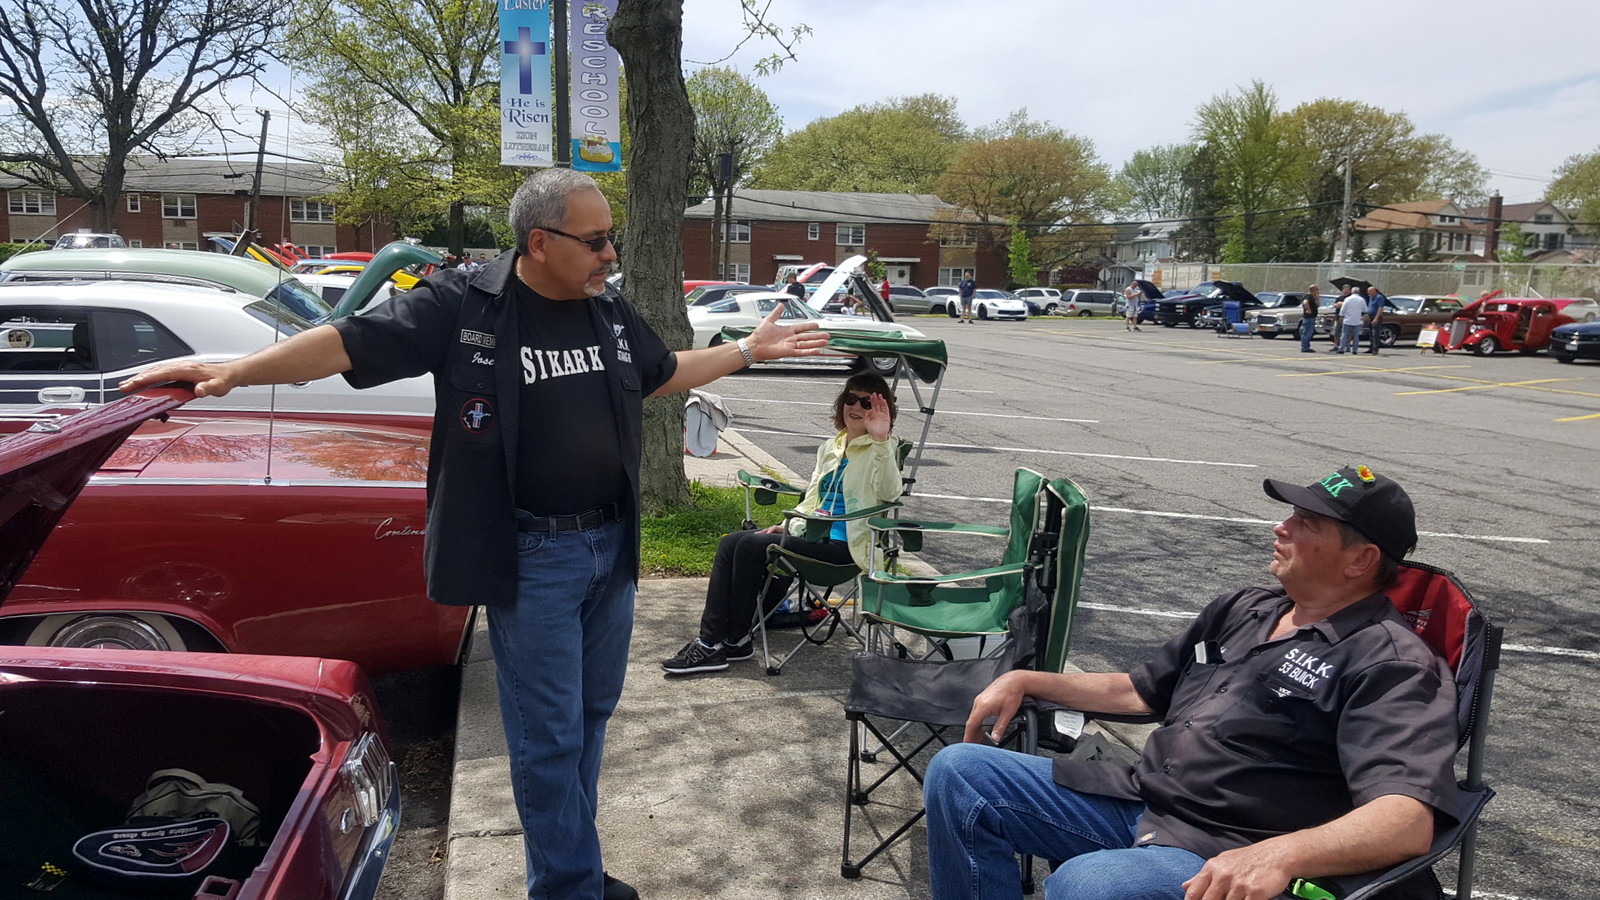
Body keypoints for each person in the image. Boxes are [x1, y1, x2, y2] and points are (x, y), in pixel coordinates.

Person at [119, 168, 831, 900]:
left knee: (589, 717)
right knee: (548, 735)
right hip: (532, 556)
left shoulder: (608, 309)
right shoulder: (465, 305)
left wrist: (749, 351)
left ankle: (569, 867)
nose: (610, 253)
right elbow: (346, 343)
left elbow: (660, 372)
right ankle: (569, 887)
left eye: (609, 238)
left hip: (611, 549)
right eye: (596, 241)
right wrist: (237, 370)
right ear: (539, 242)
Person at [924, 466, 1459, 900]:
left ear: (1360, 560)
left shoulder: (1388, 662)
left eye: (1306, 523)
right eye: (1290, 514)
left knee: (1088, 885)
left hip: (1231, 847)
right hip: (1144, 801)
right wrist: (1023, 678)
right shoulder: (1245, 608)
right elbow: (1141, 691)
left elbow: (1405, 822)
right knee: (959, 773)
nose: (1282, 528)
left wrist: (1279, 855)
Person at [661, 372, 903, 674]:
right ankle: (730, 641)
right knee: (731, 541)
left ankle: (717, 642)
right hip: (812, 536)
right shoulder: (832, 446)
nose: (856, 407)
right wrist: (785, 525)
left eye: (867, 402)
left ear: (881, 411)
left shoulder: (883, 447)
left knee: (749, 545)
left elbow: (891, 493)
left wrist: (880, 441)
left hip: (847, 548)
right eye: (851, 398)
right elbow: (813, 499)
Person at [1365, 285, 1398, 355]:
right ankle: (1371, 348)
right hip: (1370, 316)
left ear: (1374, 291)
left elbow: (1380, 309)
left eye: (1370, 292)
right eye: (1368, 292)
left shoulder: (1379, 297)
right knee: (1370, 334)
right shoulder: (1371, 297)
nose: (1369, 293)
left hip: (1376, 316)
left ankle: (1375, 349)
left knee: (1375, 333)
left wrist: (1376, 318)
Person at [1339, 286, 1366, 354]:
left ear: (1352, 292)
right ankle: (1355, 350)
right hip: (1357, 321)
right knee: (1356, 336)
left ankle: (1342, 348)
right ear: (1359, 292)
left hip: (1347, 320)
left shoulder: (1347, 299)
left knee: (1344, 335)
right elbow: (1365, 309)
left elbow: (1343, 309)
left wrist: (1341, 316)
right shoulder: (1361, 300)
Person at [1326, 285, 1349, 352]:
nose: (1345, 291)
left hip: (1347, 317)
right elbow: (1335, 305)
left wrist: (1341, 304)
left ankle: (1346, 346)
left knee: (1346, 333)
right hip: (1338, 317)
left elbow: (1347, 306)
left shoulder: (1350, 298)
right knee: (1336, 332)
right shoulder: (1339, 298)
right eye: (1344, 289)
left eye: (1347, 290)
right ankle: (1336, 345)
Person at [1299, 284, 1320, 352]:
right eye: (1316, 289)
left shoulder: (1313, 297)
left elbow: (1318, 305)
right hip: (1308, 318)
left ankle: (1307, 346)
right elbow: (1305, 303)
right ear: (1313, 290)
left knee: (1309, 332)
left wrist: (1317, 298)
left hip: (1312, 317)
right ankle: (1305, 347)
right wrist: (1308, 309)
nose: (1317, 291)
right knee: (1307, 332)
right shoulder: (1308, 296)